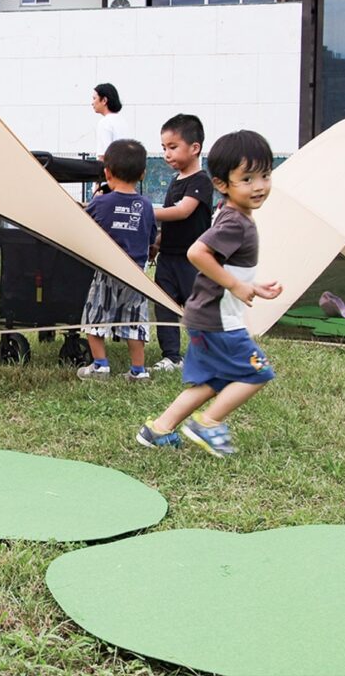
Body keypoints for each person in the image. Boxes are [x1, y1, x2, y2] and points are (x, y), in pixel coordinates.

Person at [136, 130, 282, 457]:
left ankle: (158, 429)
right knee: (257, 372)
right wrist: (236, 285)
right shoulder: (236, 223)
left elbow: (222, 266)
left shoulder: (231, 213)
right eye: (247, 179)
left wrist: (249, 285)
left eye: (265, 175)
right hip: (219, 322)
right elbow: (197, 253)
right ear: (222, 184)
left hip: (204, 316)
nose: (258, 186)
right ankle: (209, 423)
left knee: (212, 382)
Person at [78, 138, 156, 382]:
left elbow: (83, 224)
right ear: (143, 174)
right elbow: (152, 237)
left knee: (95, 317)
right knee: (135, 321)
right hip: (136, 275)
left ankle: (100, 365)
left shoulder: (101, 202)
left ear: (107, 172)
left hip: (107, 272)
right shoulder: (146, 206)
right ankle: (138, 370)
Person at [149, 114, 213, 372]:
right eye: (164, 148)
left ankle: (207, 354)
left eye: (172, 147)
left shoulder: (201, 182)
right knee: (164, 305)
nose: (166, 154)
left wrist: (144, 209)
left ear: (194, 148)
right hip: (167, 258)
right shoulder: (175, 182)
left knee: (195, 309)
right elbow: (170, 221)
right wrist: (156, 242)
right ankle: (172, 356)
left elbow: (182, 212)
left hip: (192, 259)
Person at [92, 83, 129, 160]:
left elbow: (104, 156)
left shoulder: (105, 123)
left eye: (94, 98)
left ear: (104, 100)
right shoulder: (123, 121)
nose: (92, 103)